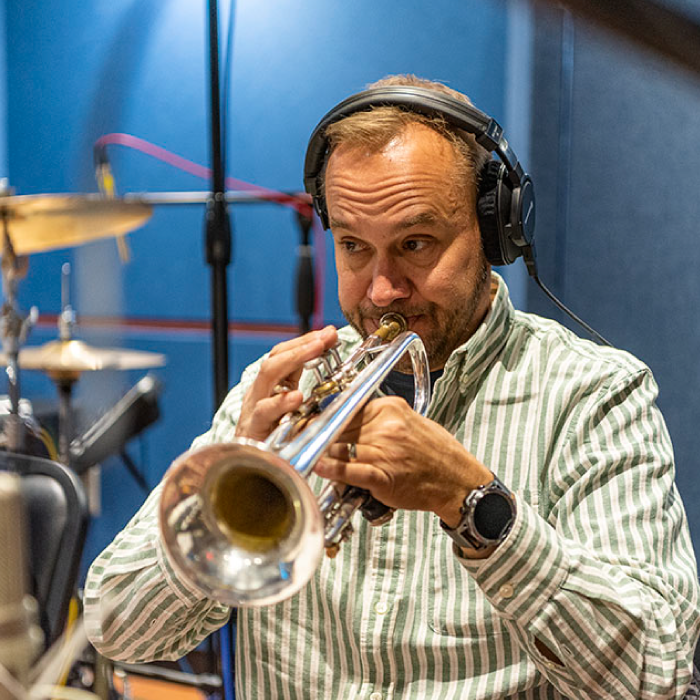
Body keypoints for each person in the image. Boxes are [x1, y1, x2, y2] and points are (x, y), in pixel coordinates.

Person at [84, 74, 700, 699]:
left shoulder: (594, 396)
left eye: (415, 243)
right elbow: (114, 629)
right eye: (353, 246)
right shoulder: (284, 390)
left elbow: (660, 676)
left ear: (493, 230)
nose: (382, 292)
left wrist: (474, 502)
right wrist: (225, 483)